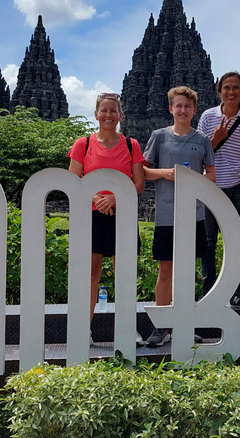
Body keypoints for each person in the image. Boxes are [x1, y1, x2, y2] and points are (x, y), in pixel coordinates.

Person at [67, 92, 145, 343]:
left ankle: (125, 327)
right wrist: (97, 200)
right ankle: (84, 329)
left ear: (120, 115)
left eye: (113, 111)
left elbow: (139, 183)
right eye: (104, 110)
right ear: (96, 114)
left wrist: (115, 198)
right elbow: (73, 181)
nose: (108, 115)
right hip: (92, 215)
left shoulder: (131, 145)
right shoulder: (83, 144)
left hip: (122, 214)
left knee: (124, 272)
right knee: (91, 273)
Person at [143, 86, 216, 347]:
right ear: (170, 108)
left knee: (188, 271)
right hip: (166, 213)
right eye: (178, 106)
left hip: (193, 214)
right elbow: (144, 171)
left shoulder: (202, 140)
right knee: (166, 269)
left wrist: (195, 179)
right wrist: (166, 173)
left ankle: (184, 322)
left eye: (187, 106)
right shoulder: (159, 137)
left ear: (194, 110)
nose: (183, 110)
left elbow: (211, 175)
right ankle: (161, 327)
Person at [197, 72, 240, 304]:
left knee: (237, 239)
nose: (231, 92)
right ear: (219, 91)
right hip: (211, 186)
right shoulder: (208, 116)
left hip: (239, 186)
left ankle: (238, 291)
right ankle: (208, 289)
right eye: (226, 88)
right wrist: (215, 139)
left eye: (235, 87)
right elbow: (198, 153)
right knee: (208, 241)